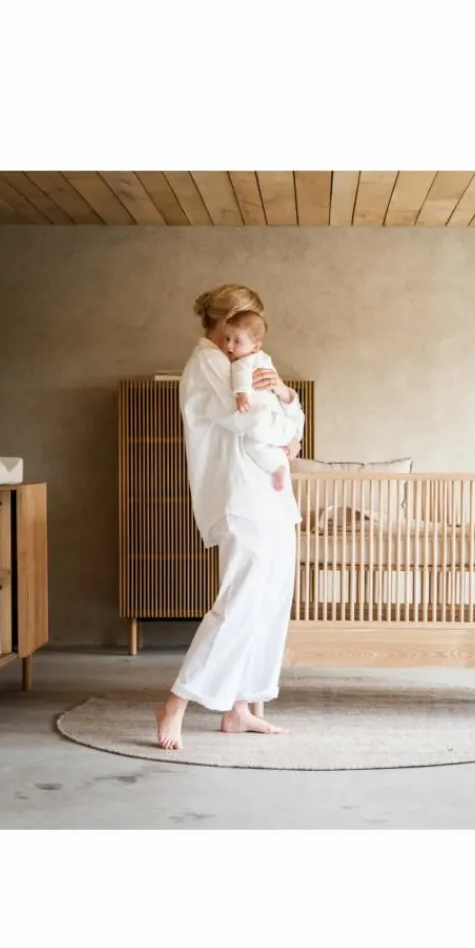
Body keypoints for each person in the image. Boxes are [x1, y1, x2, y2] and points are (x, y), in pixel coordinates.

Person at [155, 284, 304, 751]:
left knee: (269, 601)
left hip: (271, 496)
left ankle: (238, 708)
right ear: (225, 322)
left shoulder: (245, 360)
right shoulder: (209, 363)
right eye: (238, 327)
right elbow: (255, 421)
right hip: (243, 497)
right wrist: (286, 425)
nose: (242, 337)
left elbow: (290, 419)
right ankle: (177, 702)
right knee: (239, 601)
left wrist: (287, 406)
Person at [226, 309, 290, 492]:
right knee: (264, 438)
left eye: (237, 341)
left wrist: (241, 394)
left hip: (263, 415)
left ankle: (276, 465)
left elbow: (241, 376)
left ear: (255, 346)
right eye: (227, 338)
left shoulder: (242, 362)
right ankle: (278, 453)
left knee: (252, 443)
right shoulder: (264, 359)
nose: (229, 345)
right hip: (276, 415)